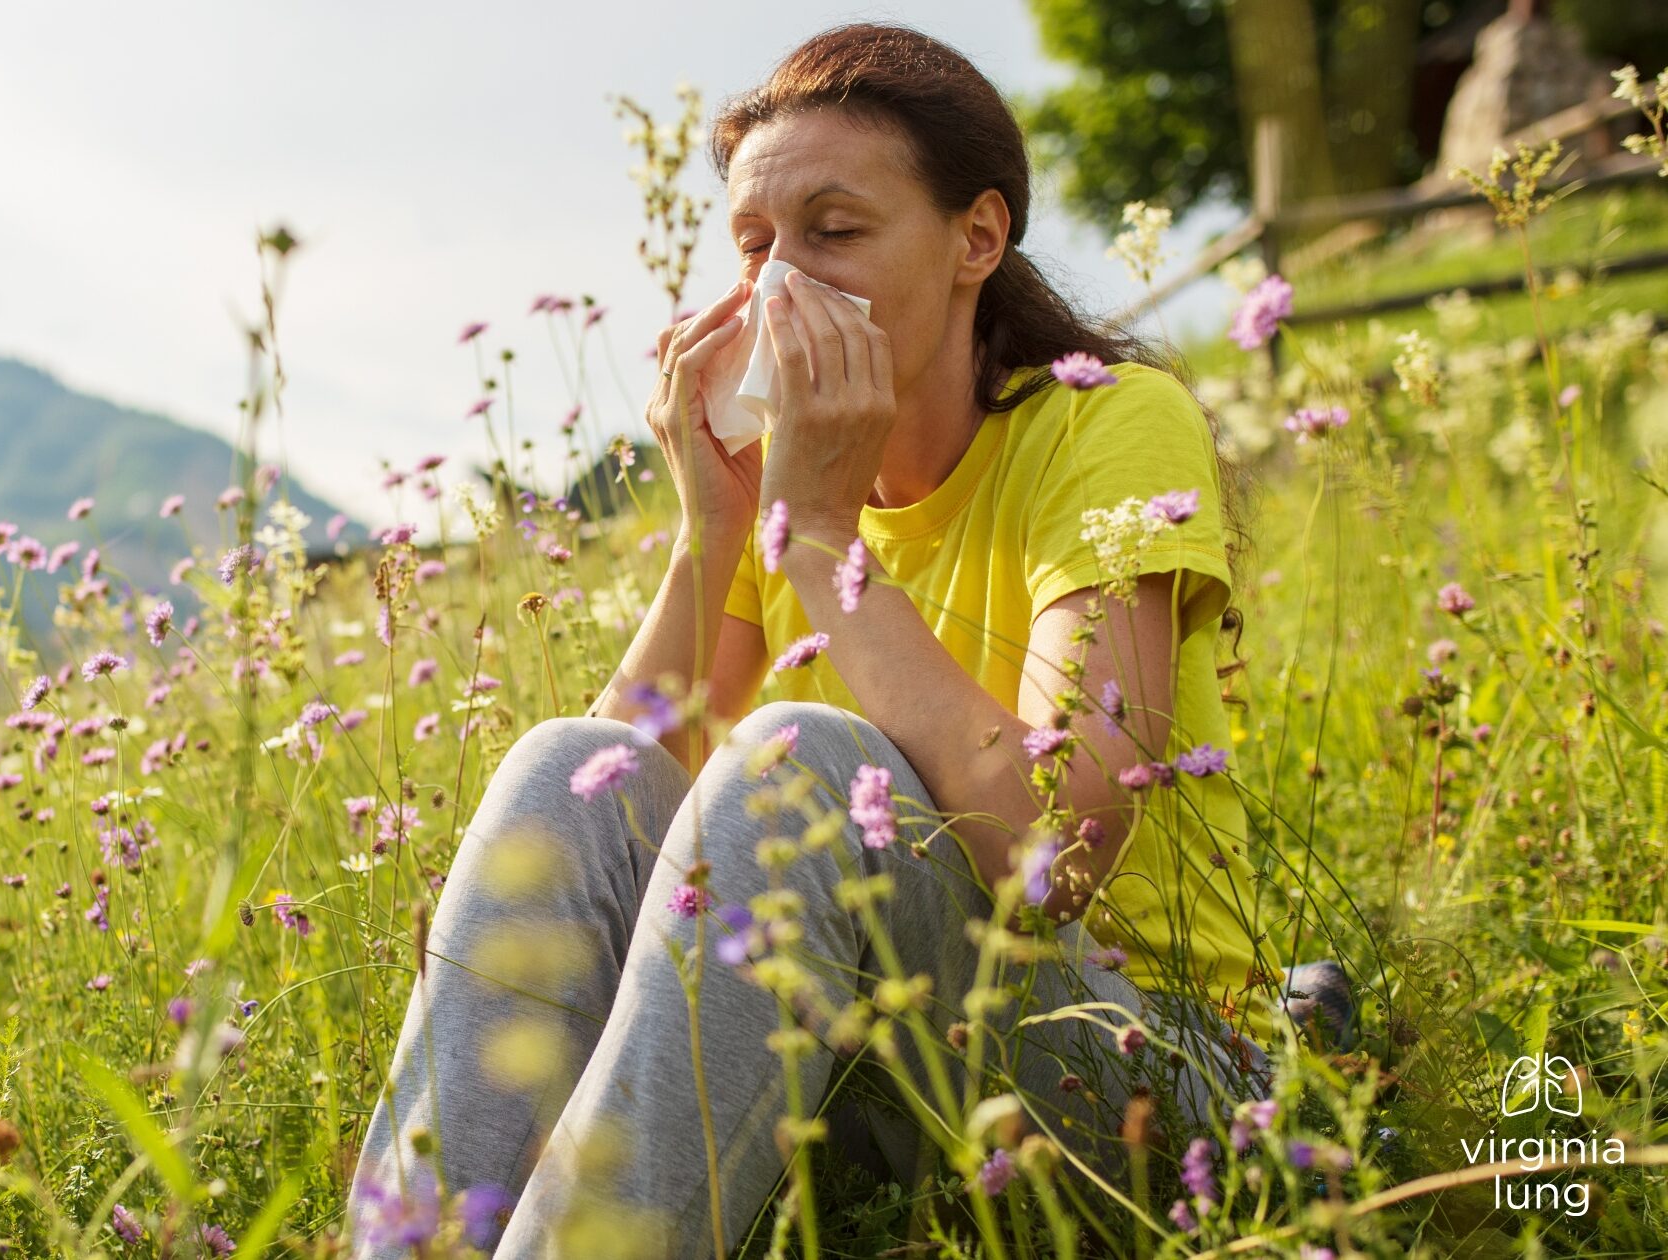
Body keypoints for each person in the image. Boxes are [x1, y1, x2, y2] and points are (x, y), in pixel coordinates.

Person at [347, 20, 1284, 1258]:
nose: (778, 284)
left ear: (975, 239)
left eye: (832, 233)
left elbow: (1049, 857)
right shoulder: (778, 494)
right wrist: (712, 530)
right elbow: (603, 829)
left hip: (1130, 1077)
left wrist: (814, 535)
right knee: (552, 764)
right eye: (752, 247)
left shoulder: (1107, 429)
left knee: (798, 755)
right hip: (861, 1064)